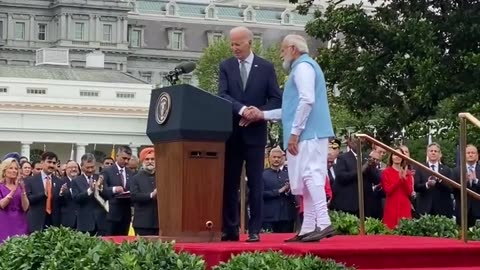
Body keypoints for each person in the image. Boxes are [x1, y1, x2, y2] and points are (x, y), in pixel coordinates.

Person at [244, 34, 335, 242]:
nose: (280, 53)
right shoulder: (304, 67)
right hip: (310, 132)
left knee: (311, 175)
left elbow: (306, 101)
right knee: (307, 178)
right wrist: (263, 114)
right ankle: (309, 227)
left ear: (293, 49)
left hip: (308, 134)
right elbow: (291, 109)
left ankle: (324, 221)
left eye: (283, 49)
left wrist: (294, 133)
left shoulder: (303, 68)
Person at [218, 26, 282, 242]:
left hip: (255, 134)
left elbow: (276, 99)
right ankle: (231, 228)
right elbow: (223, 95)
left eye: (238, 44)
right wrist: (242, 110)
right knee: (230, 182)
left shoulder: (265, 67)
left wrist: (258, 113)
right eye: (232, 44)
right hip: (233, 132)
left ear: (249, 43)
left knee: (256, 182)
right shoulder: (226, 66)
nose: (234, 48)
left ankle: (255, 229)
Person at [381, 148, 413, 229]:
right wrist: (399, 180)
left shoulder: (407, 173)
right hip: (391, 206)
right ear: (391, 157)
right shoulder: (386, 172)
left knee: (405, 232)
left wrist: (404, 179)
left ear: (403, 157)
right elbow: (388, 191)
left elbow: (409, 192)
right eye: (395, 154)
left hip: (404, 206)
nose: (397, 157)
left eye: (399, 155)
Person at [0, 158, 29, 242]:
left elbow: (25, 207)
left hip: (20, 222)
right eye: (11, 168)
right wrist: (13, 190)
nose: (14, 171)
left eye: (16, 169)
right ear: (4, 170)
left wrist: (23, 191)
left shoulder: (21, 186)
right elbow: (2, 204)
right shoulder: (1, 187)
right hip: (5, 222)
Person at [131, 147, 158, 236]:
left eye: (152, 159)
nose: (150, 161)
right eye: (147, 159)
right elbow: (134, 196)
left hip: (160, 223)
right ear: (142, 161)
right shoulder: (135, 178)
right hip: (142, 224)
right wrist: (151, 195)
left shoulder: (163, 176)